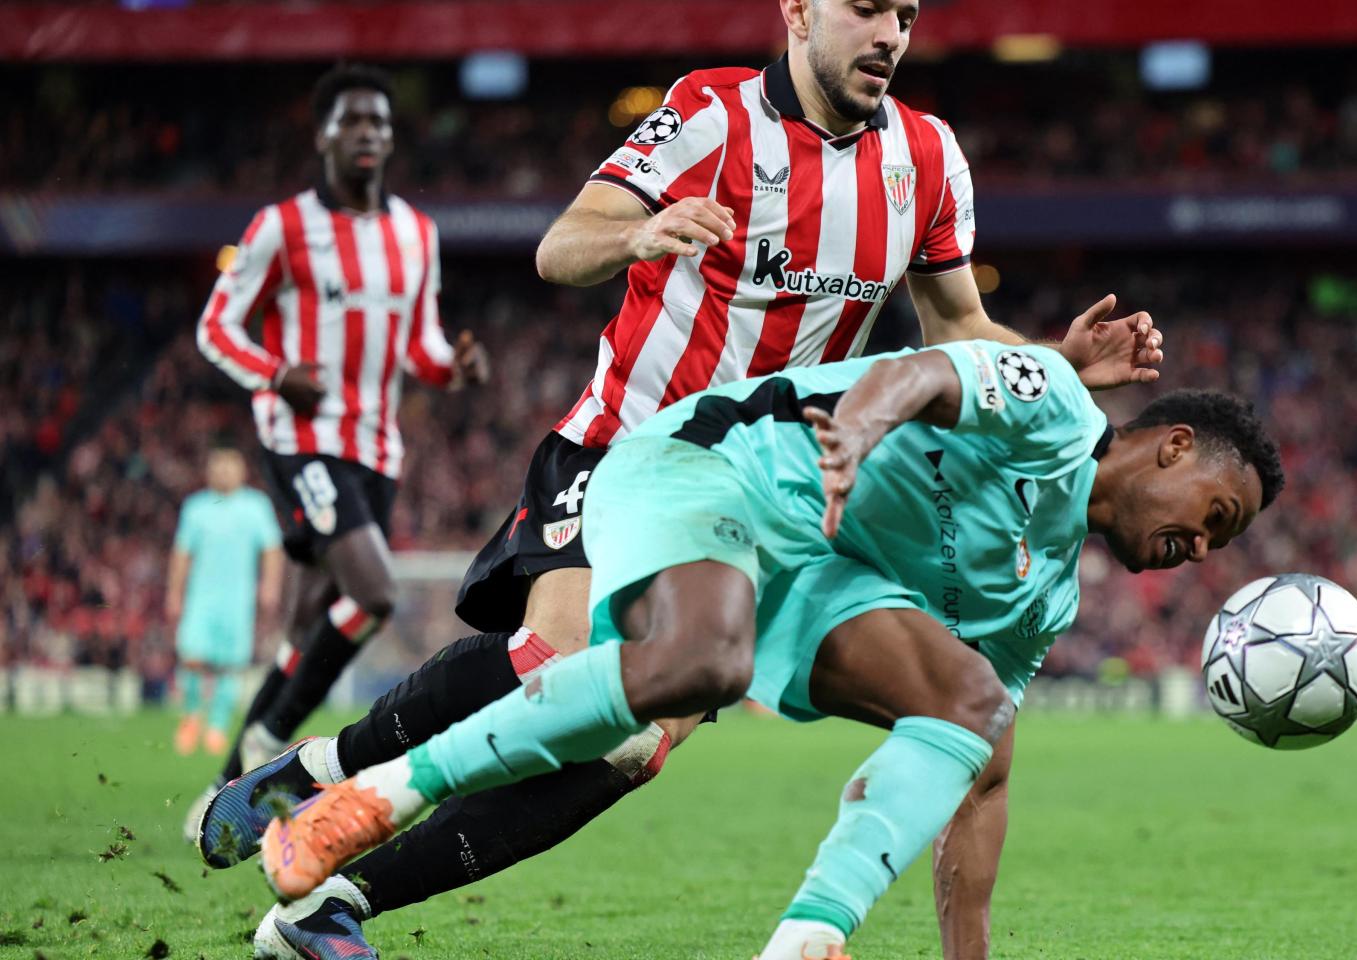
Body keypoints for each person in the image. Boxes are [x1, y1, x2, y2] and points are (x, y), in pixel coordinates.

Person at [201, 2, 1161, 956]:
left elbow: (957, 329)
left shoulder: (926, 157)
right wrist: (638, 235)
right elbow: (559, 246)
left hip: (747, 505)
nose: (889, 35)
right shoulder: (712, 114)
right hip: (622, 445)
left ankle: (329, 910)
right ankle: (308, 777)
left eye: (905, 15)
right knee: (559, 655)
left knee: (627, 747)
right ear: (797, 10)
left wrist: (1057, 359)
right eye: (866, 9)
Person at [257, 341, 1283, 959]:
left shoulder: (1043, 595)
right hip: (717, 468)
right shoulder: (1056, 405)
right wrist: (858, 431)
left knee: (975, 710)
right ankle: (380, 790)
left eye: (1216, 545)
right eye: (1212, 515)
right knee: (698, 663)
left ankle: (804, 940)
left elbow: (983, 780)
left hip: (808, 579)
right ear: (1172, 447)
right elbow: (922, 371)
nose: (1195, 549)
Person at [190, 63, 491, 817]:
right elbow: (215, 327)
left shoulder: (416, 234)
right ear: (324, 133)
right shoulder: (282, 227)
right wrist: (273, 372)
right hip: (303, 437)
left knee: (311, 624)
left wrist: (453, 368)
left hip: (376, 449)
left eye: (381, 123)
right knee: (375, 591)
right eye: (354, 121)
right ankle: (277, 764)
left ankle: (228, 785)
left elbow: (417, 346)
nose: (369, 135)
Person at [167, 450, 284, 763]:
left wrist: (270, 585)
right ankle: (192, 716)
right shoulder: (196, 508)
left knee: (230, 666)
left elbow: (272, 549)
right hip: (200, 598)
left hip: (238, 600)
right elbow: (182, 553)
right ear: (208, 471)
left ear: (242, 470)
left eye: (230, 467)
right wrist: (174, 593)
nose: (224, 473)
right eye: (217, 466)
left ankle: (217, 725)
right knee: (191, 656)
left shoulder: (256, 506)